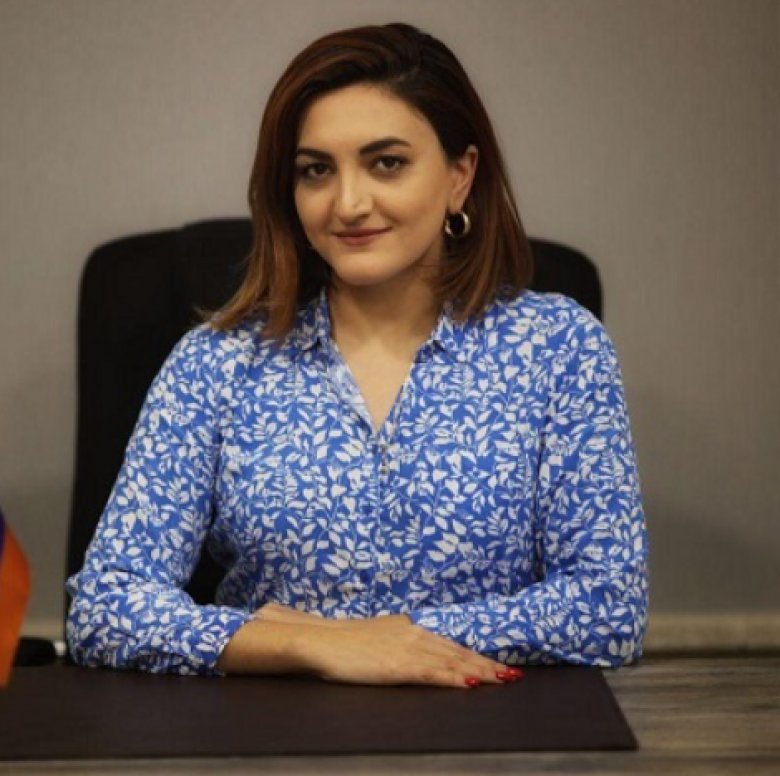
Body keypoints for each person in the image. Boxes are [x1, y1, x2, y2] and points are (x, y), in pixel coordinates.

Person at [66, 23, 649, 686]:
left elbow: (609, 607)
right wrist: (310, 647)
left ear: (460, 176)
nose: (348, 203)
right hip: (263, 730)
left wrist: (385, 640)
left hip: (490, 726)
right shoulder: (216, 364)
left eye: (386, 163)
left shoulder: (560, 348)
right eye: (316, 170)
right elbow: (104, 608)